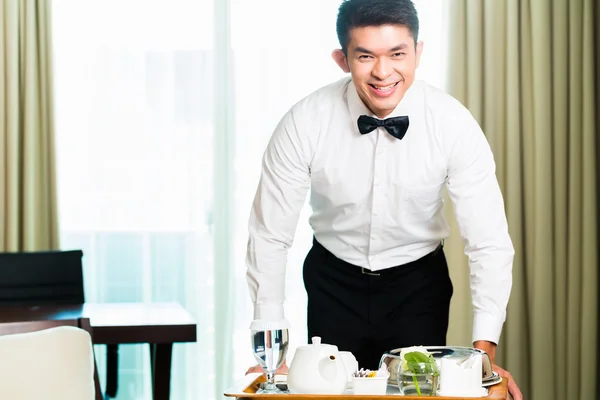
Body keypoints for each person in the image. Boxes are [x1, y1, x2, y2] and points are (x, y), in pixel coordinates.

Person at [245, 0, 522, 398]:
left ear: (418, 53)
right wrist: (272, 357)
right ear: (342, 59)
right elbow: (269, 235)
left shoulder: (452, 124)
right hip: (332, 281)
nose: (383, 72)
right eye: (365, 56)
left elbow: (489, 243)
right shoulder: (304, 122)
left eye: (397, 54)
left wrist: (484, 358)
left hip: (418, 285)